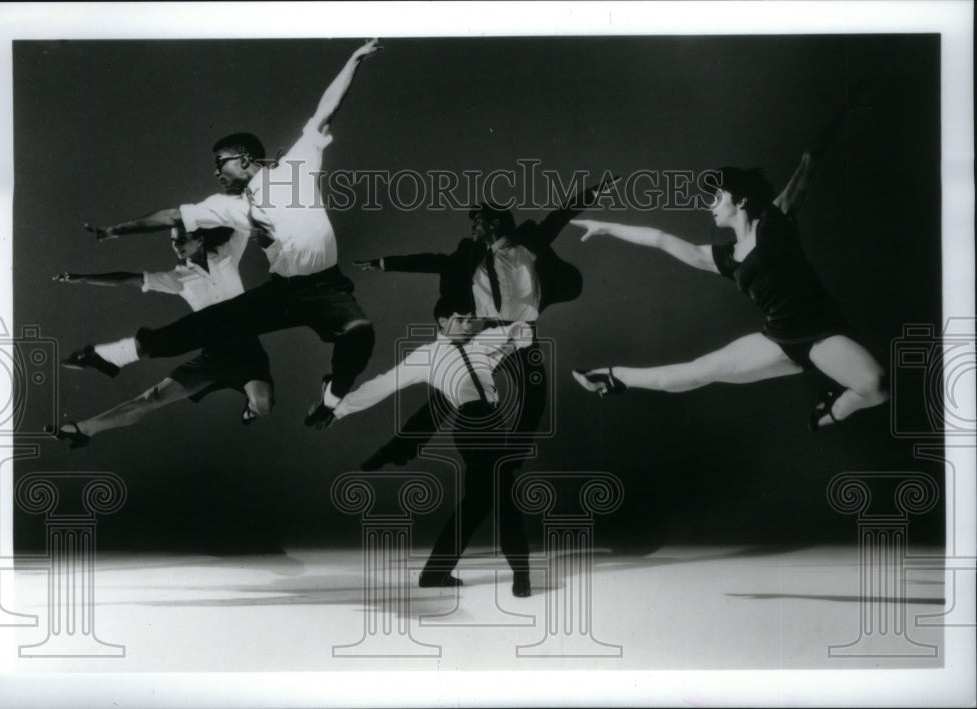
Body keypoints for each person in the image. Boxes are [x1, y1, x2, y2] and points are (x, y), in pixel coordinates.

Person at [64, 38, 382, 428]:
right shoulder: (229, 205)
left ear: (244, 159)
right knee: (210, 324)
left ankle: (329, 402)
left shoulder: (296, 166)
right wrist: (116, 230)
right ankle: (111, 355)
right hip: (283, 292)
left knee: (361, 335)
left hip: (327, 290)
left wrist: (354, 59)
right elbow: (169, 216)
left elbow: (326, 109)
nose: (217, 172)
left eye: (221, 163)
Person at [571, 100, 888, 430]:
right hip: (777, 340)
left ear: (740, 199)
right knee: (697, 373)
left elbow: (810, 159)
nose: (711, 206)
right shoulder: (725, 257)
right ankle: (612, 377)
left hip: (821, 334)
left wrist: (843, 111)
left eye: (717, 197)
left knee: (876, 387)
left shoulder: (775, 221)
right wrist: (606, 226)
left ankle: (830, 412)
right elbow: (659, 238)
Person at [353, 176, 617, 465]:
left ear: (494, 223)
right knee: (452, 388)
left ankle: (513, 457)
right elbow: (433, 261)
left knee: (534, 393)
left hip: (521, 333)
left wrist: (595, 191)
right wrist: (385, 263)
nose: (472, 226)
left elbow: (560, 215)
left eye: (477, 221)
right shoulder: (471, 257)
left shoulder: (525, 247)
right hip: (484, 331)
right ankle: (402, 449)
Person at [332, 299, 536, 597]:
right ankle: (522, 575)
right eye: (462, 320)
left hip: (495, 423)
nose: (469, 325)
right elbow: (382, 384)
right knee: (503, 496)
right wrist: (338, 410)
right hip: (471, 425)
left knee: (478, 502)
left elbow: (522, 330)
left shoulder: (481, 343)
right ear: (441, 321)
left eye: (471, 320)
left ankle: (434, 573)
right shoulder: (426, 356)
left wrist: (508, 348)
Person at [53, 226, 274, 448]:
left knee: (262, 406)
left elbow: (244, 223)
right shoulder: (178, 277)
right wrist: (82, 278)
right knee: (152, 398)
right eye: (172, 241)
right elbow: (125, 279)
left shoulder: (227, 253)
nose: (175, 245)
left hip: (247, 352)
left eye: (181, 240)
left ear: (199, 240)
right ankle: (84, 429)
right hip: (214, 354)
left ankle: (251, 409)